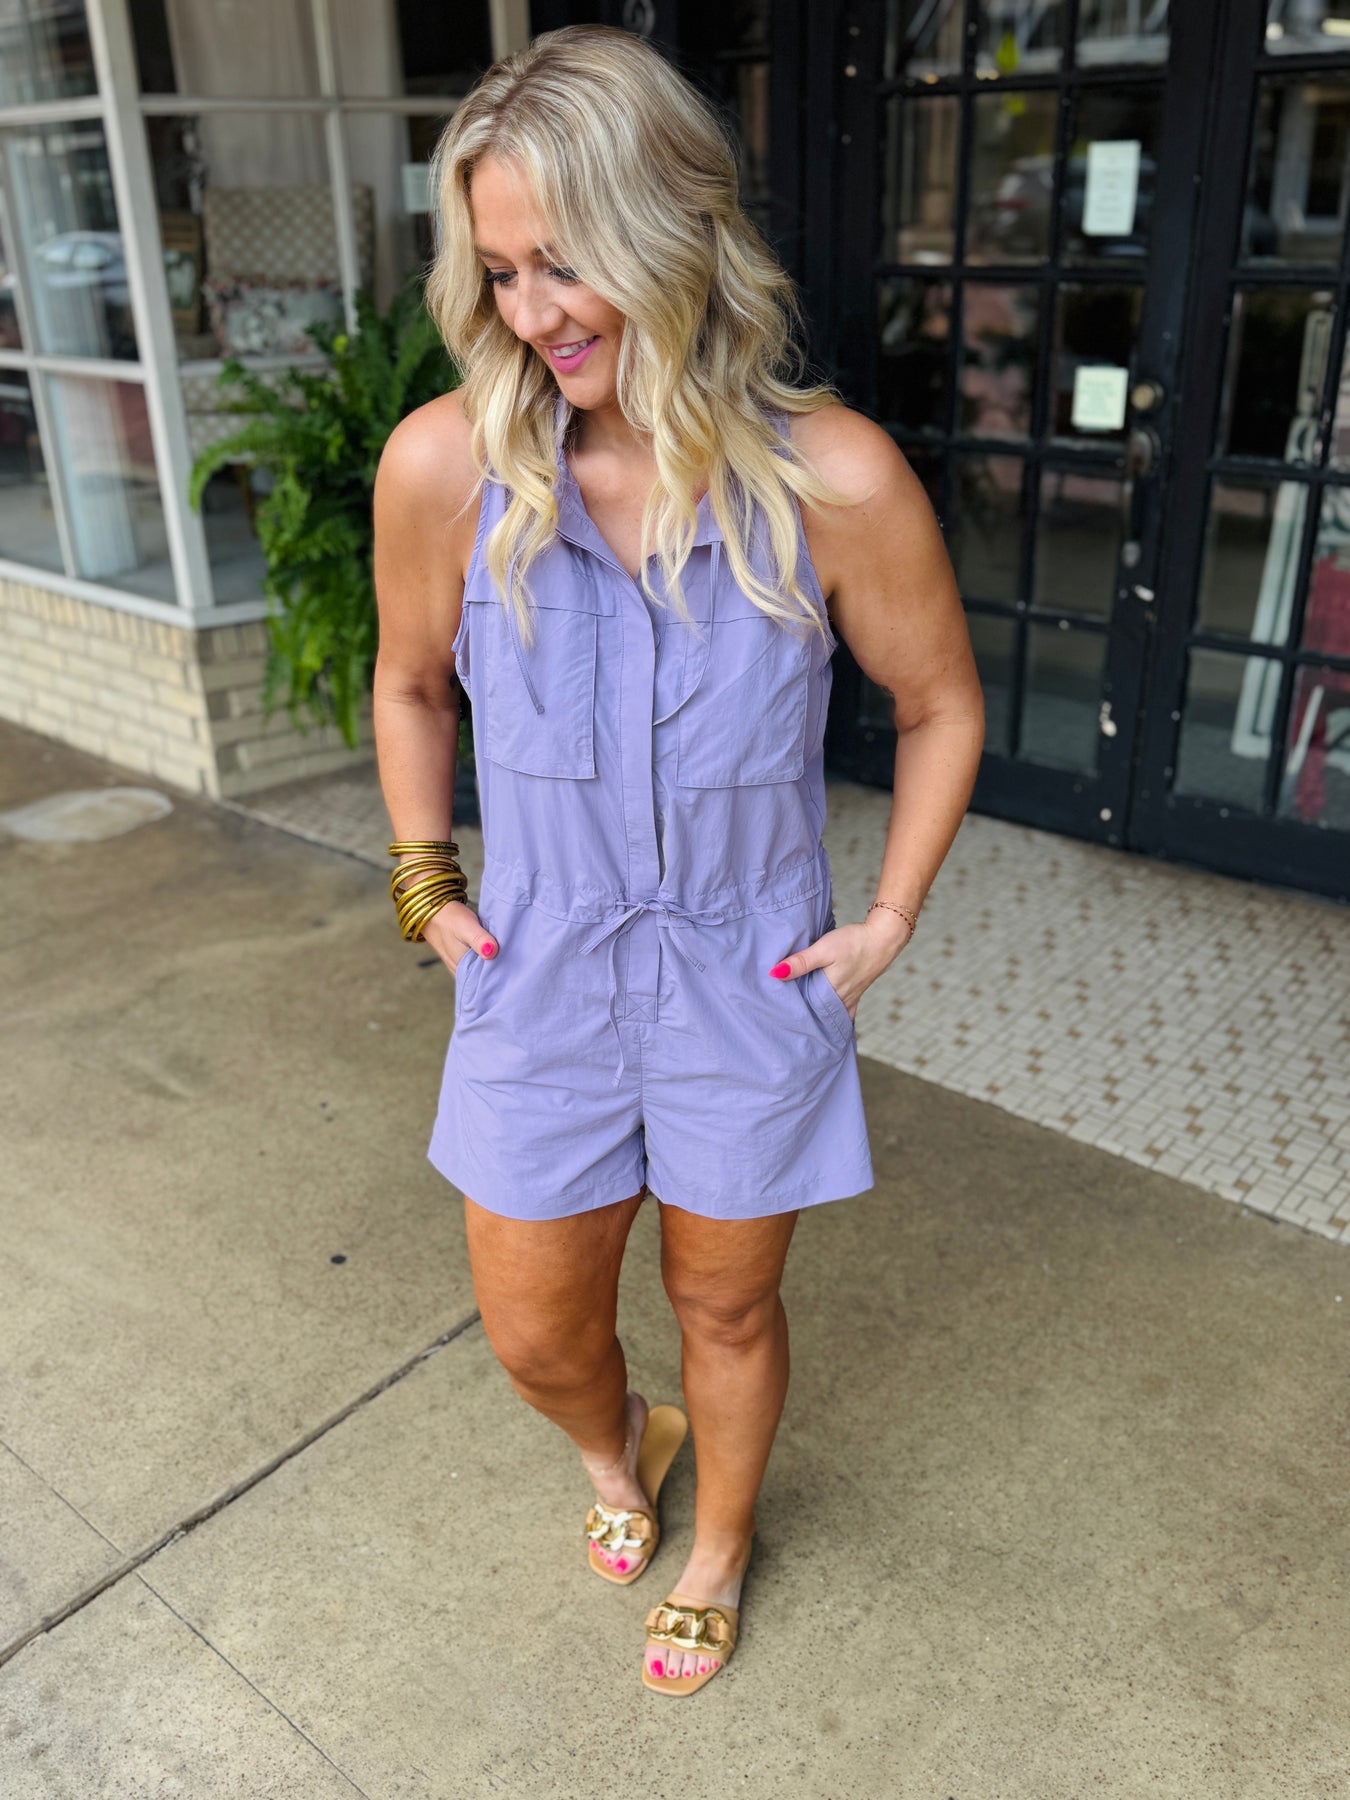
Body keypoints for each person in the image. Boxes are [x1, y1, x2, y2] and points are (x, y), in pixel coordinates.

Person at [371, 23, 984, 1698]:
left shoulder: (830, 478)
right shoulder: (446, 467)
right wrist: (426, 884)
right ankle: (611, 1442)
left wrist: (885, 920)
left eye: (565, 264)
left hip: (745, 977)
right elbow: (410, 683)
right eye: (502, 272)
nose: (533, 314)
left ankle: (716, 1543)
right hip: (539, 975)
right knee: (534, 1331)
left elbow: (939, 705)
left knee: (726, 1308)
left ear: (671, 231)